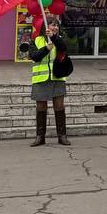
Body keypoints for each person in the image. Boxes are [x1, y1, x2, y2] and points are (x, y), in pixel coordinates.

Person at [28, 16, 70, 146]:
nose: (55, 27)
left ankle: (62, 136)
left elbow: (63, 48)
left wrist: (54, 38)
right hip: (40, 79)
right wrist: (46, 48)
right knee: (41, 107)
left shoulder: (60, 40)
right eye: (52, 24)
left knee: (59, 106)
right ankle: (40, 137)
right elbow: (34, 57)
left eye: (57, 25)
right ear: (45, 27)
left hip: (57, 77)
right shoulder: (35, 41)